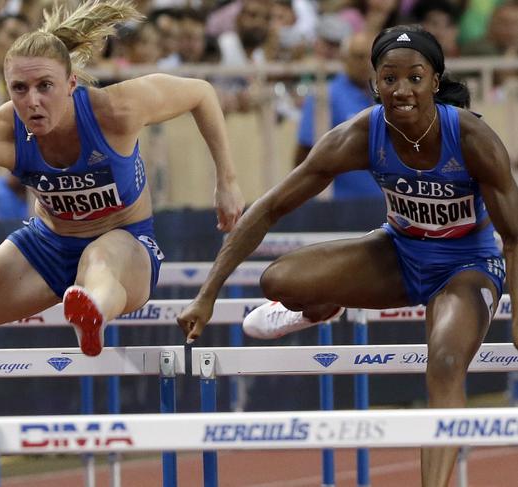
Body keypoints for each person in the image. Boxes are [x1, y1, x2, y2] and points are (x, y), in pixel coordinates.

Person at [178, 25, 517, 487]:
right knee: (278, 282)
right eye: (389, 78)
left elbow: (513, 236)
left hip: (466, 265)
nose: (402, 91)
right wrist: (207, 293)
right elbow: (272, 205)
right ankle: (323, 304)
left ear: (435, 82)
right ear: (373, 82)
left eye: (415, 78)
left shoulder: (472, 138)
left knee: (444, 362)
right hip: (398, 252)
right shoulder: (359, 135)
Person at [0, 1, 244, 357]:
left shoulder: (116, 109)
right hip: (46, 248)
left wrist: (226, 181)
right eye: (19, 88)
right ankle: (80, 304)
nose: (32, 101)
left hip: (125, 245)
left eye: (44, 86)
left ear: (71, 83)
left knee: (98, 260)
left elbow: (201, 93)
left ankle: (91, 312)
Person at [294, 30, 380, 200]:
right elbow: (305, 151)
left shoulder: (383, 96)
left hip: (382, 204)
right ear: (344, 58)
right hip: (339, 204)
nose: (366, 63)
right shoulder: (325, 95)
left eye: (371, 57)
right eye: (359, 56)